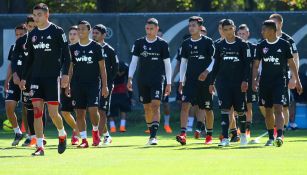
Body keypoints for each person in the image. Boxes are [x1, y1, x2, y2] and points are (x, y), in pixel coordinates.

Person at [19, 3, 70, 156]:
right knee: (37, 112)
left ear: (47, 15)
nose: (36, 18)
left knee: (54, 113)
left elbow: (67, 55)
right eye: (34, 15)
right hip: (36, 78)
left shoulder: (57, 31)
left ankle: (62, 134)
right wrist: (23, 78)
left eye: (39, 15)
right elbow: (29, 60)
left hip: (52, 77)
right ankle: (40, 147)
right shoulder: (32, 34)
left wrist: (65, 74)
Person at [252, 20, 303, 147]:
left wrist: (297, 81)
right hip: (265, 82)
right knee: (268, 110)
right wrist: (253, 81)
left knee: (278, 108)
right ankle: (270, 137)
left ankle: (279, 135)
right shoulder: (261, 45)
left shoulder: (285, 44)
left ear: (272, 30)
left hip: (280, 81)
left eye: (264, 29)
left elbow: (291, 64)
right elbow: (256, 65)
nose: (262, 32)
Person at [127, 18, 172, 145]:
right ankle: (151, 132)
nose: (149, 31)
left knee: (155, 105)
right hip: (142, 80)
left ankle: (153, 136)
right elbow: (134, 62)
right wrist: (130, 78)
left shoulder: (163, 44)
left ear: (157, 29)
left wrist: (168, 83)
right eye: (147, 28)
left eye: (152, 28)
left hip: (158, 79)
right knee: (146, 108)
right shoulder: (139, 43)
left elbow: (167, 65)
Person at [210, 19, 251, 147]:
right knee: (224, 109)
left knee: (240, 110)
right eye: (225, 29)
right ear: (222, 30)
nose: (228, 32)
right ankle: (225, 138)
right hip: (223, 83)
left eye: (230, 29)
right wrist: (211, 82)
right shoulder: (219, 45)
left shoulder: (243, 44)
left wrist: (245, 80)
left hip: (238, 83)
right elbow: (215, 65)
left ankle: (243, 135)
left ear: (234, 28)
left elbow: (247, 66)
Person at [68, 20, 108, 148]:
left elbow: (102, 68)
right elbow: (70, 68)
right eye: (79, 29)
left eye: (83, 29)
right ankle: (84, 140)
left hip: (93, 84)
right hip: (77, 84)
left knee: (93, 110)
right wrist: (68, 84)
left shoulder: (96, 47)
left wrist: (105, 85)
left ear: (89, 31)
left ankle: (95, 131)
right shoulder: (72, 48)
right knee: (79, 113)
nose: (80, 31)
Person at [175, 16, 215, 145]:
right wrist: (181, 81)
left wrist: (206, 72)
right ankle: (183, 134)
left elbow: (215, 60)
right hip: (190, 81)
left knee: (207, 108)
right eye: (190, 25)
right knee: (185, 105)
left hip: (206, 81)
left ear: (200, 27)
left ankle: (209, 135)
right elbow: (183, 63)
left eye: (194, 25)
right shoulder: (186, 43)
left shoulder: (208, 42)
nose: (191, 28)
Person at [269, 14, 300, 133]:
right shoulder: (267, 38)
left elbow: (295, 58)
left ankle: (282, 129)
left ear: (280, 24)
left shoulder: (288, 40)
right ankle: (276, 127)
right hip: (269, 76)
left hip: (284, 75)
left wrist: (293, 77)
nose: (271, 25)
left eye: (274, 22)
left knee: (284, 104)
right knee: (267, 105)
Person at [92, 24, 119, 145]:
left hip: (105, 85)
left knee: (102, 110)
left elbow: (115, 68)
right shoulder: (90, 47)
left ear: (104, 35)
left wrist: (108, 82)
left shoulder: (110, 50)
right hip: (91, 84)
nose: (94, 35)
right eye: (93, 33)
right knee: (95, 111)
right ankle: (107, 135)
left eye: (97, 33)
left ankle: (97, 137)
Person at [5, 23, 27, 146]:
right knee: (9, 106)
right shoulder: (14, 47)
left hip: (27, 81)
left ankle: (32, 135)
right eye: (17, 34)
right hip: (15, 81)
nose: (18, 36)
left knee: (28, 109)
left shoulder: (30, 46)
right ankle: (18, 132)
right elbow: (11, 64)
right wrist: (8, 79)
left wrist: (24, 78)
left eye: (21, 34)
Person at [60, 25, 80, 145]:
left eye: (75, 34)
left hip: (78, 84)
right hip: (65, 83)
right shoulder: (64, 49)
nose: (72, 36)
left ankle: (77, 135)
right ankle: (76, 130)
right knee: (65, 112)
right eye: (71, 34)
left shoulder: (82, 48)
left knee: (79, 111)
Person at [237, 24, 257, 138]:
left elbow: (256, 65)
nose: (241, 35)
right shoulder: (234, 46)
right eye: (239, 33)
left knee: (248, 105)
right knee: (236, 107)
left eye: (243, 33)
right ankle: (236, 130)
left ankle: (247, 129)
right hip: (236, 81)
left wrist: (255, 80)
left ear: (248, 34)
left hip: (249, 81)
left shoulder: (253, 47)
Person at [108, 62, 132, 132]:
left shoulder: (126, 68)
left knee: (123, 109)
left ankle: (122, 127)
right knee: (111, 110)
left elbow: (129, 82)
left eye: (122, 72)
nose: (120, 74)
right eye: (118, 72)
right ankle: (113, 128)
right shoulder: (111, 68)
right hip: (113, 91)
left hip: (121, 91)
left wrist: (130, 96)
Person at [157, 28, 172, 133]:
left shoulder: (164, 46)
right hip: (151, 79)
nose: (159, 37)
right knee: (152, 104)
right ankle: (152, 127)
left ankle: (166, 125)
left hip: (163, 79)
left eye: (160, 35)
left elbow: (167, 65)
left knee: (165, 104)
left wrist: (169, 82)